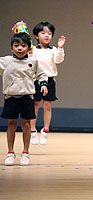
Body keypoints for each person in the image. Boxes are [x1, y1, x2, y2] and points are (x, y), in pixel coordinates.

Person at [0, 33, 48, 166]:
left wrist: (43, 84)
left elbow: (42, 74)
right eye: (16, 46)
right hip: (11, 98)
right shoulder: (6, 61)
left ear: (28, 48)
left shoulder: (33, 61)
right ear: (11, 48)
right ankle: (10, 153)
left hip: (27, 97)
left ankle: (25, 153)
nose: (20, 48)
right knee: (11, 124)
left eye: (23, 45)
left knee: (27, 125)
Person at [30, 22, 66, 145]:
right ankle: (33, 130)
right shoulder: (33, 49)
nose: (47, 35)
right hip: (36, 80)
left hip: (50, 80)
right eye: (43, 33)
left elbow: (58, 60)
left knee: (47, 106)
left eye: (49, 33)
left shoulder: (53, 50)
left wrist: (60, 48)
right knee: (34, 105)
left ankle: (45, 130)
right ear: (36, 36)